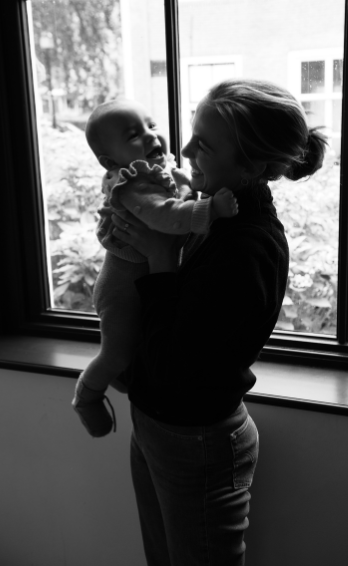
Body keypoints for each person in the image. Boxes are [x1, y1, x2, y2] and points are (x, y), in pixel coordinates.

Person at [103, 78, 325, 565]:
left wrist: (160, 256)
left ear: (254, 163)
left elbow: (176, 367)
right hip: (160, 426)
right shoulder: (210, 215)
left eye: (203, 144)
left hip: (195, 441)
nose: (183, 151)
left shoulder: (249, 249)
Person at [72, 99, 238, 438]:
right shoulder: (132, 184)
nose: (150, 137)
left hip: (136, 281)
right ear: (109, 160)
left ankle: (121, 376)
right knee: (115, 352)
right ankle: (86, 396)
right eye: (134, 134)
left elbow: (178, 197)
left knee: (132, 345)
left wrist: (191, 189)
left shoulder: (155, 171)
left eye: (151, 126)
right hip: (120, 289)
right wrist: (212, 209)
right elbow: (168, 216)